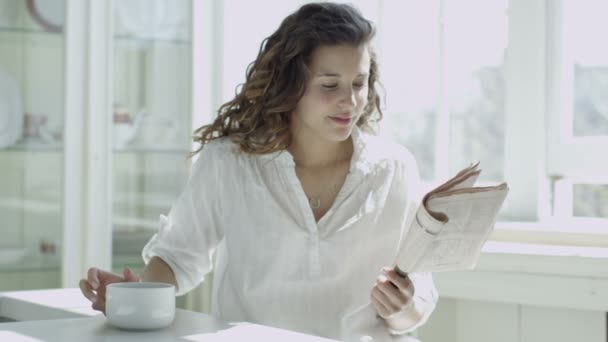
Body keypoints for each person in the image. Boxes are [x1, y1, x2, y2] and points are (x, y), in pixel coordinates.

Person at [79, 2, 437, 341]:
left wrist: (401, 306)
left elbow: (415, 302)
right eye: (330, 85)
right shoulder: (230, 162)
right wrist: (135, 296)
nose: (350, 101)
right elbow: (178, 256)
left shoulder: (394, 168)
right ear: (291, 83)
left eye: (358, 83)